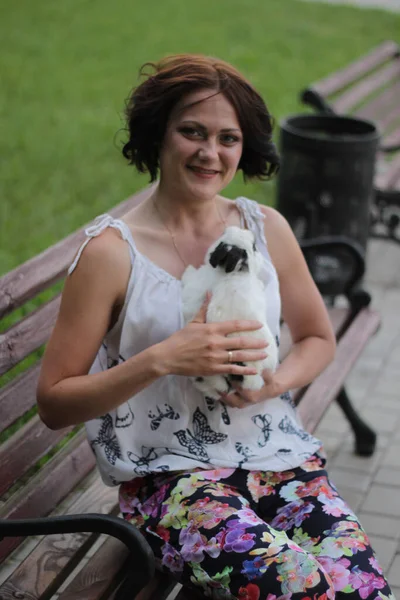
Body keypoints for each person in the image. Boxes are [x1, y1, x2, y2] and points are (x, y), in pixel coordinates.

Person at [37, 54, 393, 600]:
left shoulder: (263, 226)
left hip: (278, 461)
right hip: (169, 482)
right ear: (158, 136)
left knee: (365, 586)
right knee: (304, 588)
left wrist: (272, 385)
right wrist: (163, 358)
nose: (210, 153)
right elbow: (54, 402)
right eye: (192, 132)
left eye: (228, 138)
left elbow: (318, 338)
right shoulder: (111, 253)